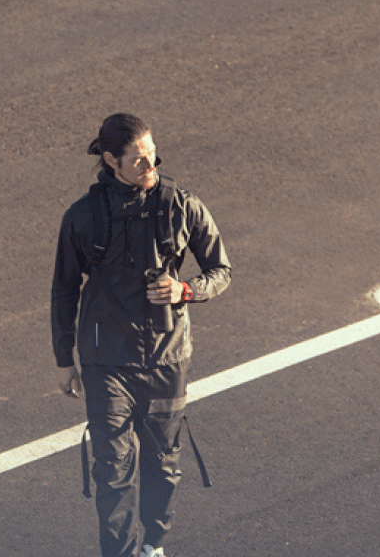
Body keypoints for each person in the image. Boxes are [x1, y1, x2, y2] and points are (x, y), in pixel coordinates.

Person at [52, 113, 232, 557]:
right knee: (112, 470)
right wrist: (63, 358)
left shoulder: (181, 204)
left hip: (167, 357)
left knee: (163, 465)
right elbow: (64, 287)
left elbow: (221, 269)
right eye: (138, 159)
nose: (150, 165)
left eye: (152, 155)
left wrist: (185, 290)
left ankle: (153, 543)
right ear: (111, 159)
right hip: (105, 359)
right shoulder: (82, 217)